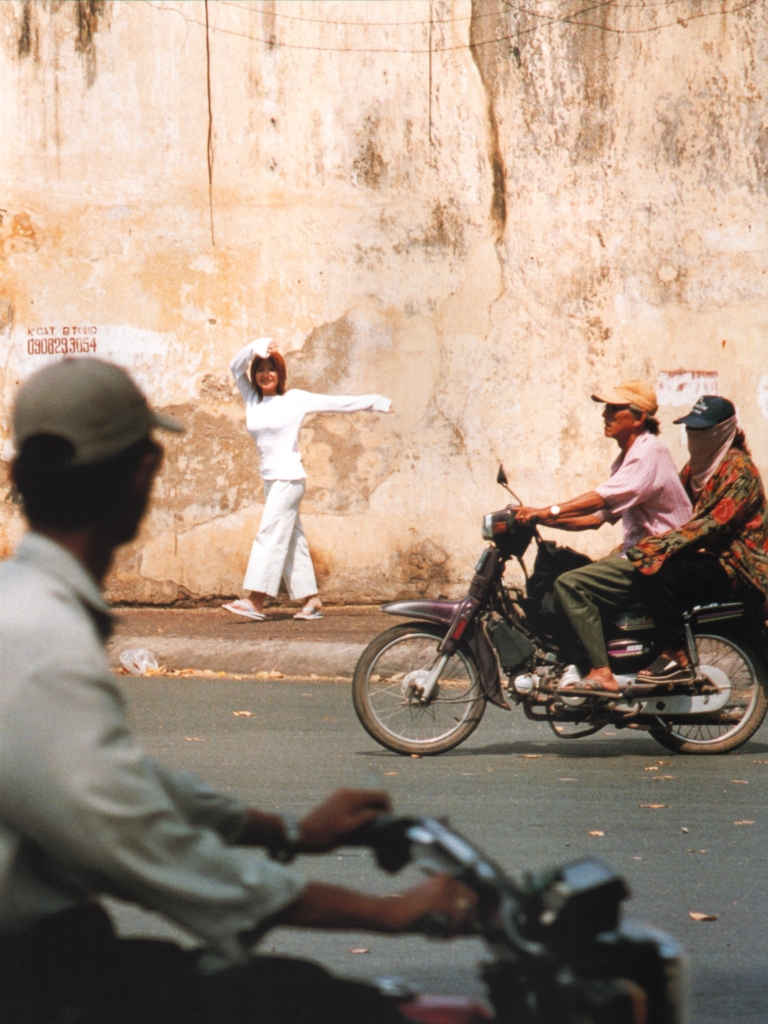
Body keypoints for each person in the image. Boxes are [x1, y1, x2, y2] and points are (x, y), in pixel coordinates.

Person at [0, 358, 476, 1024]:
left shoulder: (22, 607)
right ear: (142, 473)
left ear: (21, 477)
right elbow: (141, 844)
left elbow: (127, 780)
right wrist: (387, 910)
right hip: (34, 975)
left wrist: (283, 830)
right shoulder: (42, 638)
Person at [515, 380, 692, 696]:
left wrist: (546, 510)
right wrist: (539, 521)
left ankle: (602, 672)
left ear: (637, 418)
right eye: (606, 408)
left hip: (659, 556)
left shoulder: (649, 453)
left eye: (613, 409)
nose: (605, 415)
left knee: (570, 584)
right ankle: (588, 659)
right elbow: (595, 519)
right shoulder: (628, 457)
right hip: (641, 552)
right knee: (575, 571)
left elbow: (599, 499)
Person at [224, 339, 392, 622]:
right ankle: (311, 600)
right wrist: (257, 347)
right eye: (260, 369)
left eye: (272, 369)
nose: (266, 374)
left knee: (269, 535)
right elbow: (234, 366)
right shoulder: (252, 399)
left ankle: (256, 600)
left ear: (280, 374)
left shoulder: (295, 399)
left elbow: (338, 404)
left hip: (289, 479)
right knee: (291, 540)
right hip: (271, 480)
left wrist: (376, 402)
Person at [627, 395, 768, 679]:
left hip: (739, 567)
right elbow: (676, 510)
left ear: (723, 431)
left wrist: (658, 547)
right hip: (708, 556)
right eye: (690, 429)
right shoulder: (696, 469)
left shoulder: (740, 471)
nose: (694, 436)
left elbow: (710, 525)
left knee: (663, 574)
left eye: (701, 430)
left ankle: (676, 652)